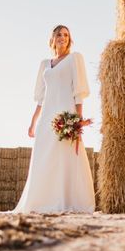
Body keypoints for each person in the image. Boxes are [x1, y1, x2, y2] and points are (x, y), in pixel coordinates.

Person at [12, 25, 95, 213]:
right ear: (52, 39)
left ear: (70, 40)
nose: (62, 38)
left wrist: (77, 122)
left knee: (66, 158)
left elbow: (78, 93)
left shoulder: (75, 58)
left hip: (66, 115)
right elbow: (41, 98)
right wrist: (33, 121)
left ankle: (68, 201)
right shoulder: (44, 64)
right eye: (59, 34)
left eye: (66, 35)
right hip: (47, 118)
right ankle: (40, 202)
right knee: (43, 158)